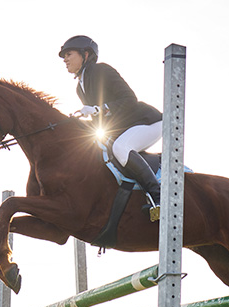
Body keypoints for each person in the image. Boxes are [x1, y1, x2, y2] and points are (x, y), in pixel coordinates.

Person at [59, 35, 163, 220]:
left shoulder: (101, 70)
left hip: (147, 121)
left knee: (121, 148)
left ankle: (158, 196)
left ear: (85, 54)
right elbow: (101, 122)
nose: (65, 59)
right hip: (127, 127)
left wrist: (100, 108)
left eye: (69, 54)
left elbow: (130, 99)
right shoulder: (80, 87)